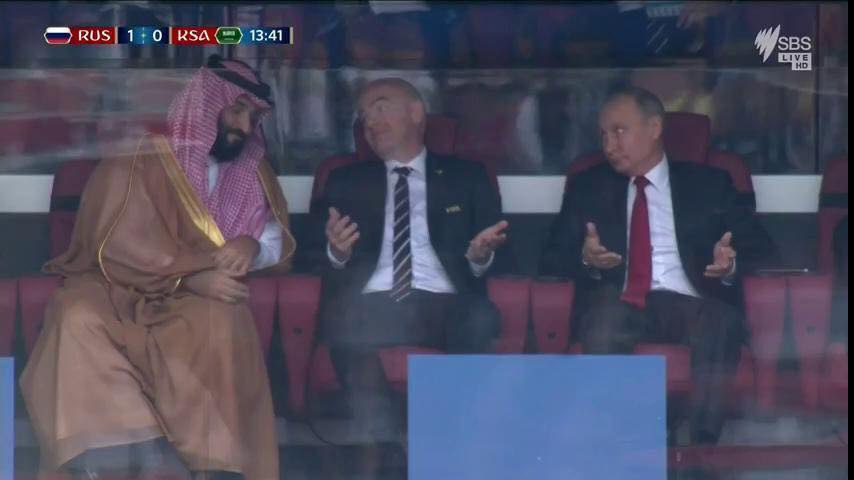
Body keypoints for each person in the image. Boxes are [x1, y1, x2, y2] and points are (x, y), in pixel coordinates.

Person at [20, 55, 296, 480]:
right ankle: (128, 459)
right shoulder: (143, 154)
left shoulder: (252, 170)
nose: (245, 126)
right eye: (237, 110)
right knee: (74, 316)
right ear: (206, 104)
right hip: (119, 287)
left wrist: (251, 246)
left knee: (222, 322)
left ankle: (212, 465)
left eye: (254, 117)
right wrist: (189, 275)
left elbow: (276, 243)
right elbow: (113, 243)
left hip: (196, 301)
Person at [540, 86, 776, 445]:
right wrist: (586, 260)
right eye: (603, 135)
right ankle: (618, 445)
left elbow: (762, 251)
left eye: (619, 131)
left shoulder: (709, 184)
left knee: (721, 321)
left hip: (691, 301)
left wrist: (730, 265)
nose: (609, 145)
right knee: (603, 321)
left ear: (654, 128)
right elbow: (550, 260)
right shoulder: (588, 186)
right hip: (619, 301)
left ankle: (701, 448)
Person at [310, 77, 508, 476]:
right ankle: (385, 448)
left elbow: (501, 252)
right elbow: (311, 256)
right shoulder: (345, 181)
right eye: (364, 115)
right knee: (345, 321)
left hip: (445, 301)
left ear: (416, 113)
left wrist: (479, 257)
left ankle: (445, 447)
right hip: (373, 301)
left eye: (381, 107)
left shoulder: (467, 176)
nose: (370, 121)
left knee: (479, 318)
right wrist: (337, 252)